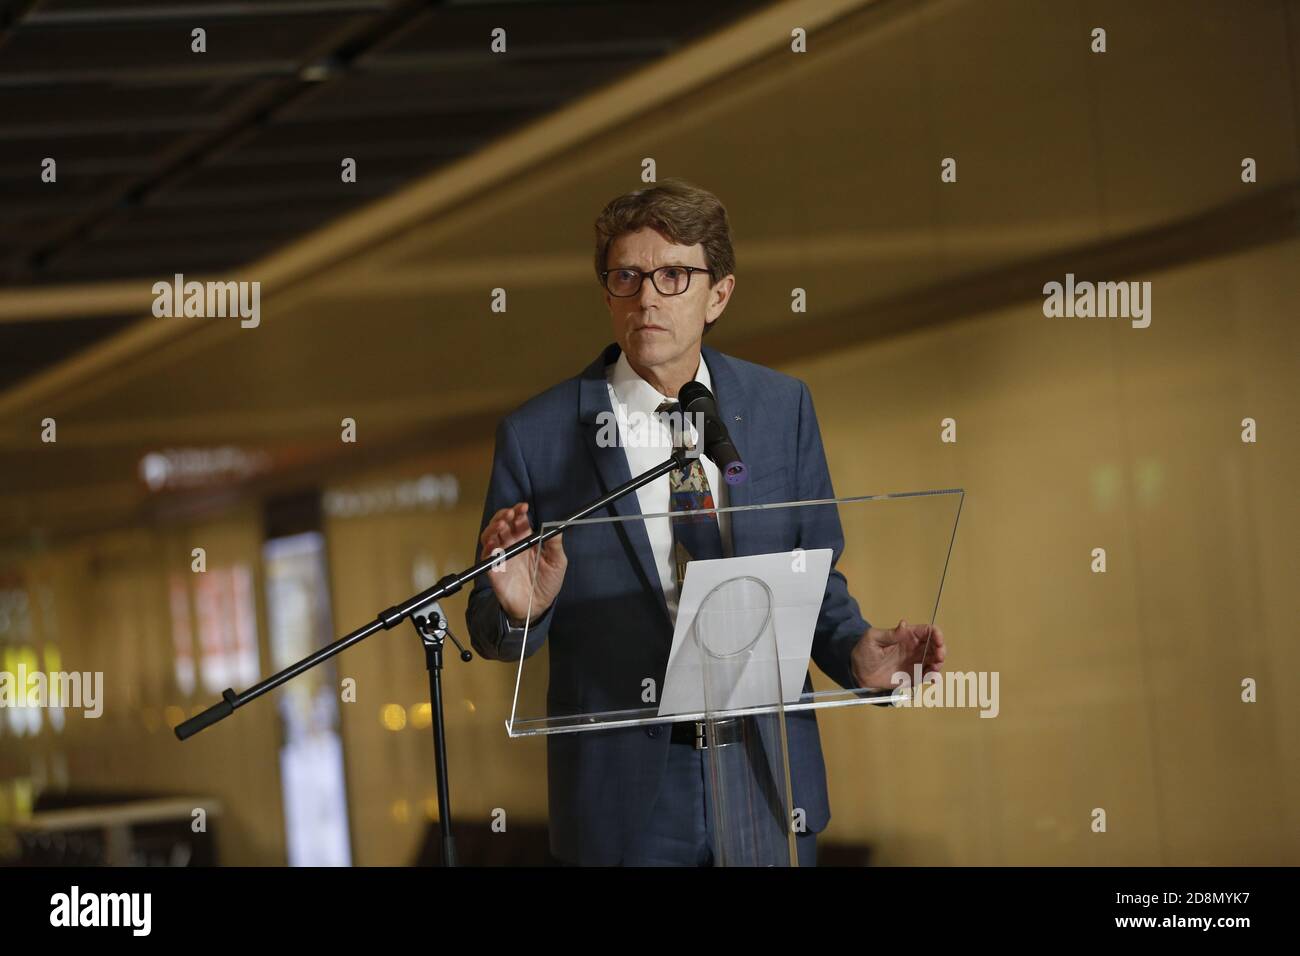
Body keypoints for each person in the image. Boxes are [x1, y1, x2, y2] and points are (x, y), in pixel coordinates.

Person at [466, 178, 945, 866]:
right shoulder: (538, 436)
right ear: (607, 293)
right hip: (624, 807)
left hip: (766, 777)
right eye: (626, 276)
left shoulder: (780, 408)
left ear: (717, 294)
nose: (648, 296)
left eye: (673, 275)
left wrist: (857, 653)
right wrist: (521, 612)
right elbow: (490, 624)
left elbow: (812, 578)